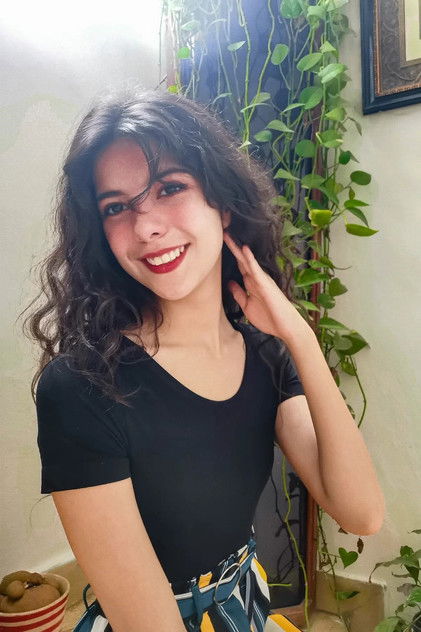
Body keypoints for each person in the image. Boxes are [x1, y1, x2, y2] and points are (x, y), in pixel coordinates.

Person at [28, 87, 384, 632]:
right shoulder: (82, 387)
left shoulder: (265, 356)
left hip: (245, 604)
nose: (145, 226)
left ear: (223, 203)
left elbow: (362, 512)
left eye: (170, 188)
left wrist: (300, 336)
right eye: (116, 207)